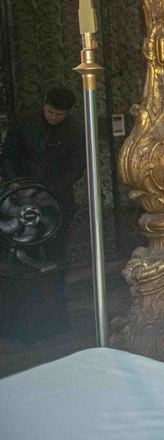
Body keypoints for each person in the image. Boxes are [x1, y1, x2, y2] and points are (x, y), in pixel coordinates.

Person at [0, 85, 85, 339]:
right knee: (21, 254)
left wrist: (52, 190)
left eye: (60, 115)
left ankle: (54, 320)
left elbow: (77, 166)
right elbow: (8, 156)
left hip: (56, 201)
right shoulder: (25, 121)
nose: (54, 117)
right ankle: (22, 323)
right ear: (44, 104)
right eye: (50, 111)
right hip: (20, 198)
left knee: (54, 256)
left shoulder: (74, 129)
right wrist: (19, 185)